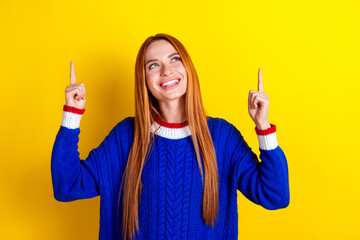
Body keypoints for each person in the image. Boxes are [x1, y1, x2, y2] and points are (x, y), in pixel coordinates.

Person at [51, 33, 290, 240]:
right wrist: (72, 116)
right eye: (153, 65)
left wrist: (263, 126)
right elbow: (68, 186)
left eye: (175, 59)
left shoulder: (222, 137)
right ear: (144, 80)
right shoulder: (127, 136)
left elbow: (275, 195)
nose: (167, 70)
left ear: (188, 68)